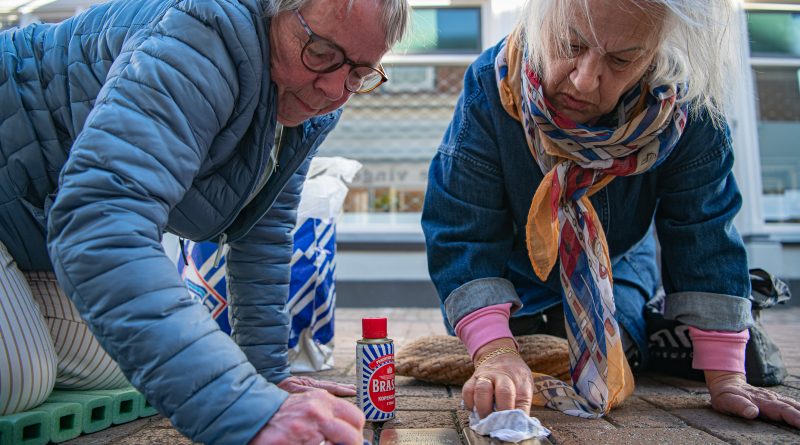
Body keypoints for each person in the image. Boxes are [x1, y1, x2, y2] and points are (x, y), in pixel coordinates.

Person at [0, 0, 408, 443]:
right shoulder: (199, 39)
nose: (333, 90)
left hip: (30, 231)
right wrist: (242, 411)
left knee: (125, 363)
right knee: (22, 375)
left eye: (360, 73)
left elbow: (263, 236)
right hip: (27, 209)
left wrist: (265, 378)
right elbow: (103, 219)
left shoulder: (305, 100)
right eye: (321, 53)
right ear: (275, 12)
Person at [422, 0, 800, 427]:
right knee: (513, 346)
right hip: (509, 275)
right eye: (570, 43)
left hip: (619, 263)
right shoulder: (491, 86)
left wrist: (727, 375)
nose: (584, 82)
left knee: (621, 342)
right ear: (537, 21)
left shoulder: (686, 106)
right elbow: (462, 229)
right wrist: (495, 351)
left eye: (622, 60)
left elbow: (703, 229)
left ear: (659, 52)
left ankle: (673, 329)